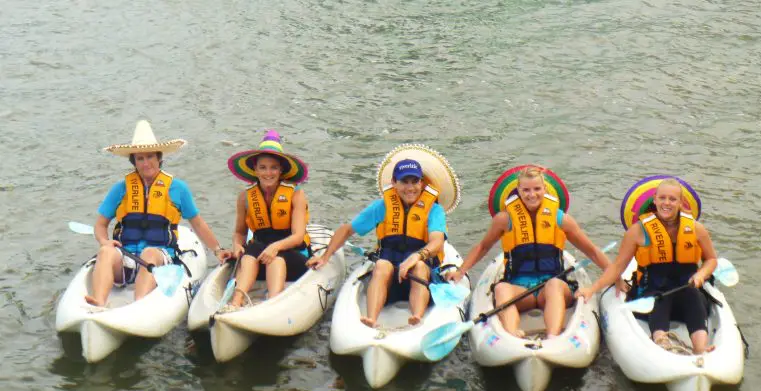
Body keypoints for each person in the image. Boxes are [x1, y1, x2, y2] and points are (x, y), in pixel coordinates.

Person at [445, 166, 623, 339]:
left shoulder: (560, 218)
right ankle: (511, 334)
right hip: (521, 290)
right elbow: (483, 247)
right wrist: (460, 271)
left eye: (537, 189)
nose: (532, 195)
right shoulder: (504, 220)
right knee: (500, 288)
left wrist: (616, 277)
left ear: (545, 189)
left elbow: (592, 251)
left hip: (553, 289)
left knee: (553, 284)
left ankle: (553, 337)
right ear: (518, 191)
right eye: (526, 190)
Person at [308, 144, 461, 327]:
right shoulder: (382, 206)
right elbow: (347, 229)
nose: (410, 187)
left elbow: (437, 242)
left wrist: (416, 256)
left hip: (420, 276)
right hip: (390, 277)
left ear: (421, 183)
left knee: (420, 266)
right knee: (381, 264)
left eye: (415, 181)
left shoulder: (434, 210)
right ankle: (371, 318)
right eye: (405, 182)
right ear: (394, 183)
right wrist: (325, 257)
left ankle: (417, 317)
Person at [85, 120, 230, 307]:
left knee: (149, 252)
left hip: (160, 258)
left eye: (150, 157)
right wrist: (104, 241)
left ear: (159, 157)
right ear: (133, 162)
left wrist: (218, 250)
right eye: (140, 158)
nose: (146, 163)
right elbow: (100, 224)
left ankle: (140, 304)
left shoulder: (178, 188)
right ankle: (98, 302)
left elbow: (198, 223)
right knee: (105, 251)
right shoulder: (121, 188)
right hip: (127, 257)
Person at [576, 178, 717, 355]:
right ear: (655, 200)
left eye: (672, 199)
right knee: (659, 298)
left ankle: (700, 348)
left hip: (687, 293)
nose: (667, 203)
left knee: (692, 295)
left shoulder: (696, 229)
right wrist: (592, 289)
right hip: (649, 296)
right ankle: (661, 340)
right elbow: (617, 267)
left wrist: (701, 274)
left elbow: (711, 259)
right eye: (662, 198)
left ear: (681, 203)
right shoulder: (637, 231)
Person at [225, 130, 311, 307]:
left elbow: (298, 236)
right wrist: (236, 245)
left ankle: (272, 303)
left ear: (281, 170)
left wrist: (275, 247)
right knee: (248, 256)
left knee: (276, 259)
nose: (268, 173)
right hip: (260, 253)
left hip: (292, 254)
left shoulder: (296, 195)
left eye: (273, 168)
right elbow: (239, 232)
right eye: (262, 167)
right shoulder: (245, 197)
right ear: (255, 170)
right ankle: (235, 302)